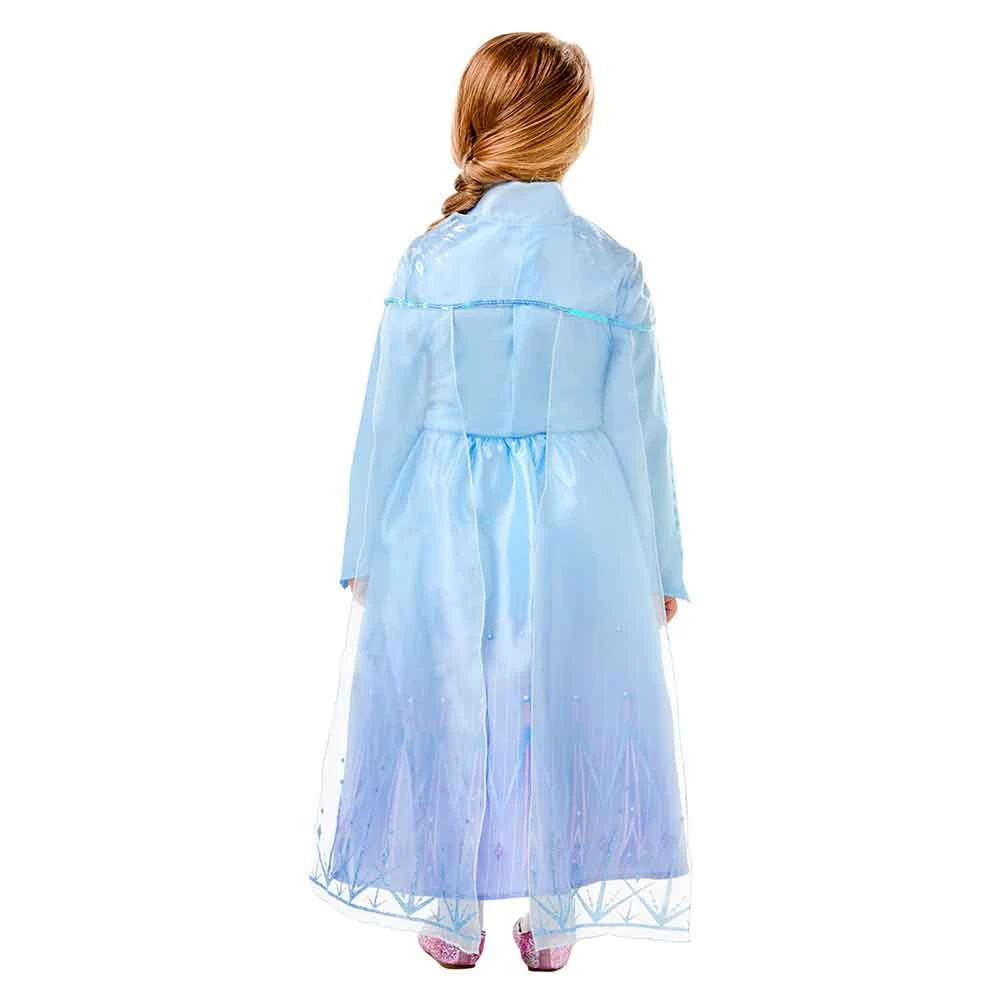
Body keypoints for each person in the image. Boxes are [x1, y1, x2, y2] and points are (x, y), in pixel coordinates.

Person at [311, 31, 691, 972]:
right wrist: (661, 564)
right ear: (574, 133)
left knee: (450, 682)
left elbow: (387, 417)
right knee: (560, 687)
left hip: (440, 512)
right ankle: (554, 915)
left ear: (474, 121)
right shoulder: (611, 267)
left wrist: (362, 547)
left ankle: (453, 906)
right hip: (580, 515)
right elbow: (640, 430)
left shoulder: (429, 262)